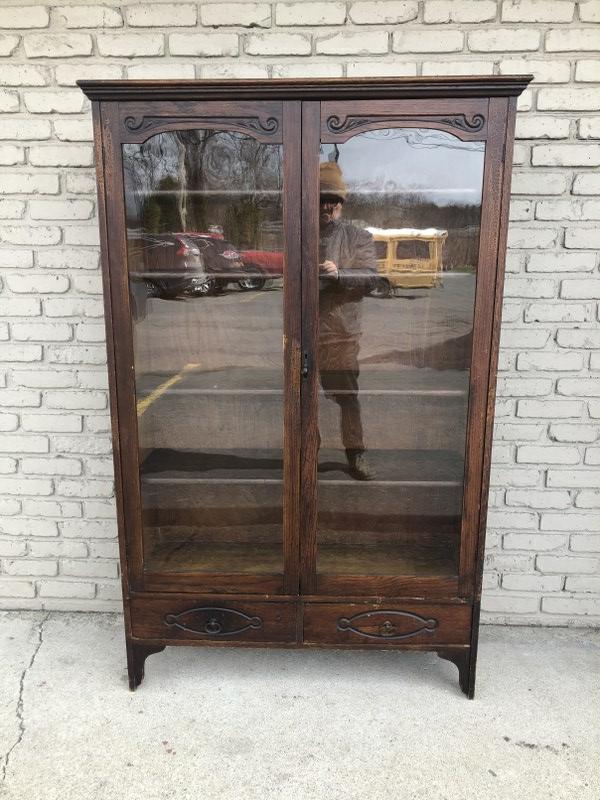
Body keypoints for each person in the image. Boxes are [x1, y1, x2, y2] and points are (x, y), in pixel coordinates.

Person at [318, 161, 378, 481]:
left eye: (334, 200)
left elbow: (371, 277)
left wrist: (339, 274)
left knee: (348, 398)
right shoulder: (298, 234)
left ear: (341, 204)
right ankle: (305, 452)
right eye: (321, 199)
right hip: (303, 333)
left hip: (341, 335)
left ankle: (356, 455)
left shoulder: (358, 237)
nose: (328, 206)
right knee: (302, 399)